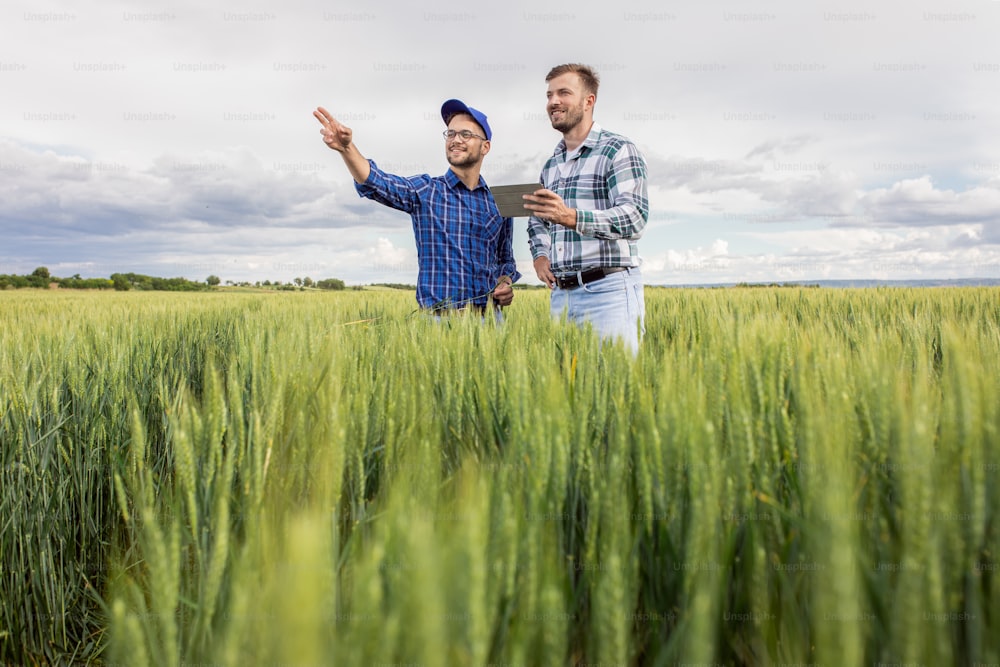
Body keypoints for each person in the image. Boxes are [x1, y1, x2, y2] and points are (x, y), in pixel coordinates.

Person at [313, 99, 520, 314]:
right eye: (450, 134)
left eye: (466, 134)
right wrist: (347, 149)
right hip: (438, 323)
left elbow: (505, 260)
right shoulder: (427, 190)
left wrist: (505, 283)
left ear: (485, 146)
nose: (455, 140)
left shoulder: (499, 202)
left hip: (490, 323)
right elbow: (378, 182)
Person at [524, 64, 649, 353]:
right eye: (549, 95)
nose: (553, 101)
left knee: (613, 386)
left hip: (608, 290)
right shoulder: (551, 165)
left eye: (564, 93)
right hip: (561, 296)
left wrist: (570, 217)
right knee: (569, 389)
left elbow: (635, 217)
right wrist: (540, 257)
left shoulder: (617, 150)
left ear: (588, 101)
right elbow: (537, 220)